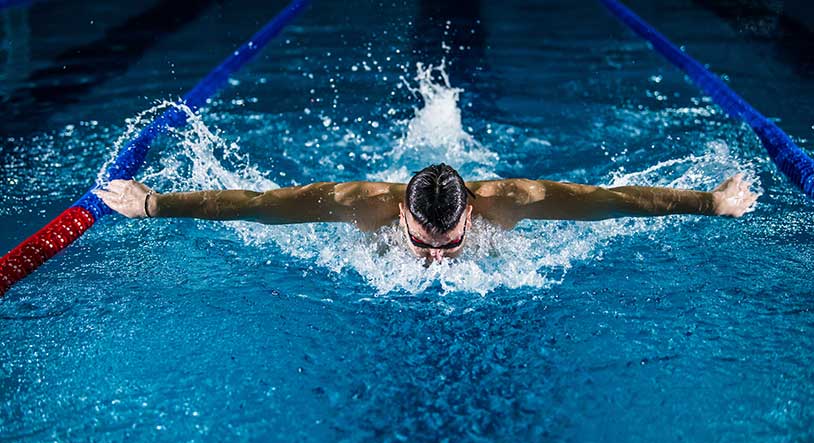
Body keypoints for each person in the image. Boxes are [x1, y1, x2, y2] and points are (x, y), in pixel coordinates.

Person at [93, 163, 758, 262]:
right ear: (400, 215)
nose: (436, 259)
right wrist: (153, 203)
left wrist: (710, 201)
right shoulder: (359, 206)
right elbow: (260, 207)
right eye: (422, 241)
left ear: (472, 208)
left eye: (448, 243)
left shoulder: (514, 200)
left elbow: (615, 203)